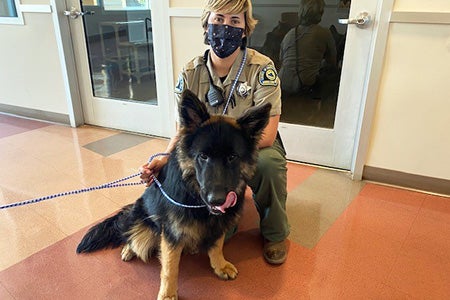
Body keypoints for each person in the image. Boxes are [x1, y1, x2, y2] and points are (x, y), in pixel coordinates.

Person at [140, 0, 289, 265]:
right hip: (210, 150)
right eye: (219, 19)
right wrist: (165, 156)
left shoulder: (261, 68)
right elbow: (184, 132)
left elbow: (267, 133)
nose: (225, 28)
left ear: (245, 30)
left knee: (267, 165)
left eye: (235, 22)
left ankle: (275, 232)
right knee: (188, 171)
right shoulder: (190, 71)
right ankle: (215, 212)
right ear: (207, 24)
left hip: (249, 144)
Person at [278, 0, 337, 96]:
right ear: (320, 13)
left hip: (283, 82)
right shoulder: (324, 33)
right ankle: (322, 108)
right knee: (332, 76)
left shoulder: (290, 33)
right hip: (305, 84)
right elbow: (332, 62)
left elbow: (281, 59)